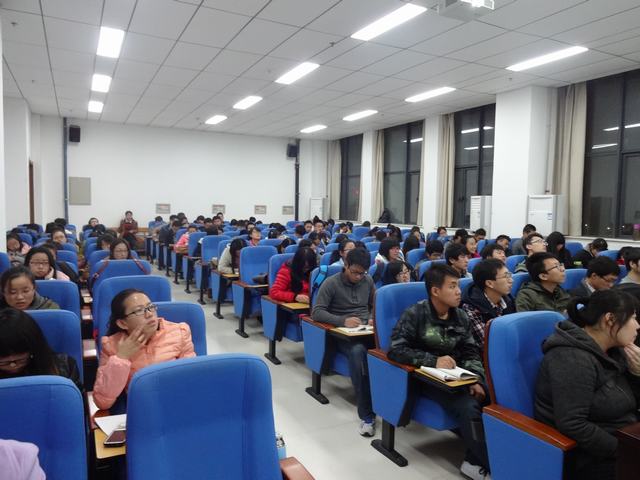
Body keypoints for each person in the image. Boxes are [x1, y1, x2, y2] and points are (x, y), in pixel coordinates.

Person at [388, 263, 490, 479]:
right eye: (452, 286)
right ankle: (491, 465)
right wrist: (433, 361)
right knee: (468, 406)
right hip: (425, 379)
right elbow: (396, 350)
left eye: (458, 285)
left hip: (457, 376)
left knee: (493, 398)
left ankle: (474, 459)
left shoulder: (461, 316)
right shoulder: (415, 314)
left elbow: (471, 351)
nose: (459, 291)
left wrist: (476, 379)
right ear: (435, 290)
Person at [535, 290, 640, 480]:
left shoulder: (614, 349)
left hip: (625, 433)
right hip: (594, 455)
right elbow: (573, 424)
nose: (637, 325)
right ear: (609, 319)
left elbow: (630, 399)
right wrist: (626, 451)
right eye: (633, 318)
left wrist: (636, 374)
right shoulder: (571, 358)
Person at [93, 289, 195, 410]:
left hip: (178, 404)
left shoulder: (180, 332)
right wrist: (121, 357)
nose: (149, 314)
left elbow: (191, 380)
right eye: (139, 311)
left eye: (150, 307)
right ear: (122, 323)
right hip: (141, 409)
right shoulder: (112, 345)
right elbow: (102, 402)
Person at [312, 248, 376, 437]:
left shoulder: (368, 280)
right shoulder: (331, 283)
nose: (358, 277)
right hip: (343, 335)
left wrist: (372, 318)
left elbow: (374, 305)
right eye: (355, 272)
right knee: (358, 353)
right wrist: (342, 320)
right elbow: (317, 312)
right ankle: (367, 416)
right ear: (345, 265)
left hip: (365, 330)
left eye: (362, 273)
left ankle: (391, 405)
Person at [0, 308, 82, 390]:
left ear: (33, 348)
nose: (13, 365)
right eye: (4, 361)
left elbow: (76, 396)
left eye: (20, 358)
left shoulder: (64, 366)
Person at [461, 259, 516, 349]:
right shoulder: (471, 307)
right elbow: (488, 344)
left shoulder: (508, 299)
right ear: (489, 283)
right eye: (506, 276)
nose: (511, 280)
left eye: (509, 275)